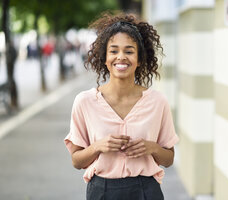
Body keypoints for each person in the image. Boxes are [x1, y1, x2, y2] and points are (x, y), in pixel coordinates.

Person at [64, 13, 179, 200]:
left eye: (129, 51)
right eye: (114, 51)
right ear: (105, 57)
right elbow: (77, 161)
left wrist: (152, 148)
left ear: (140, 59)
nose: (121, 57)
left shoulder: (158, 102)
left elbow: (169, 159)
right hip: (101, 190)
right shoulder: (84, 102)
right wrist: (98, 146)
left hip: (146, 190)